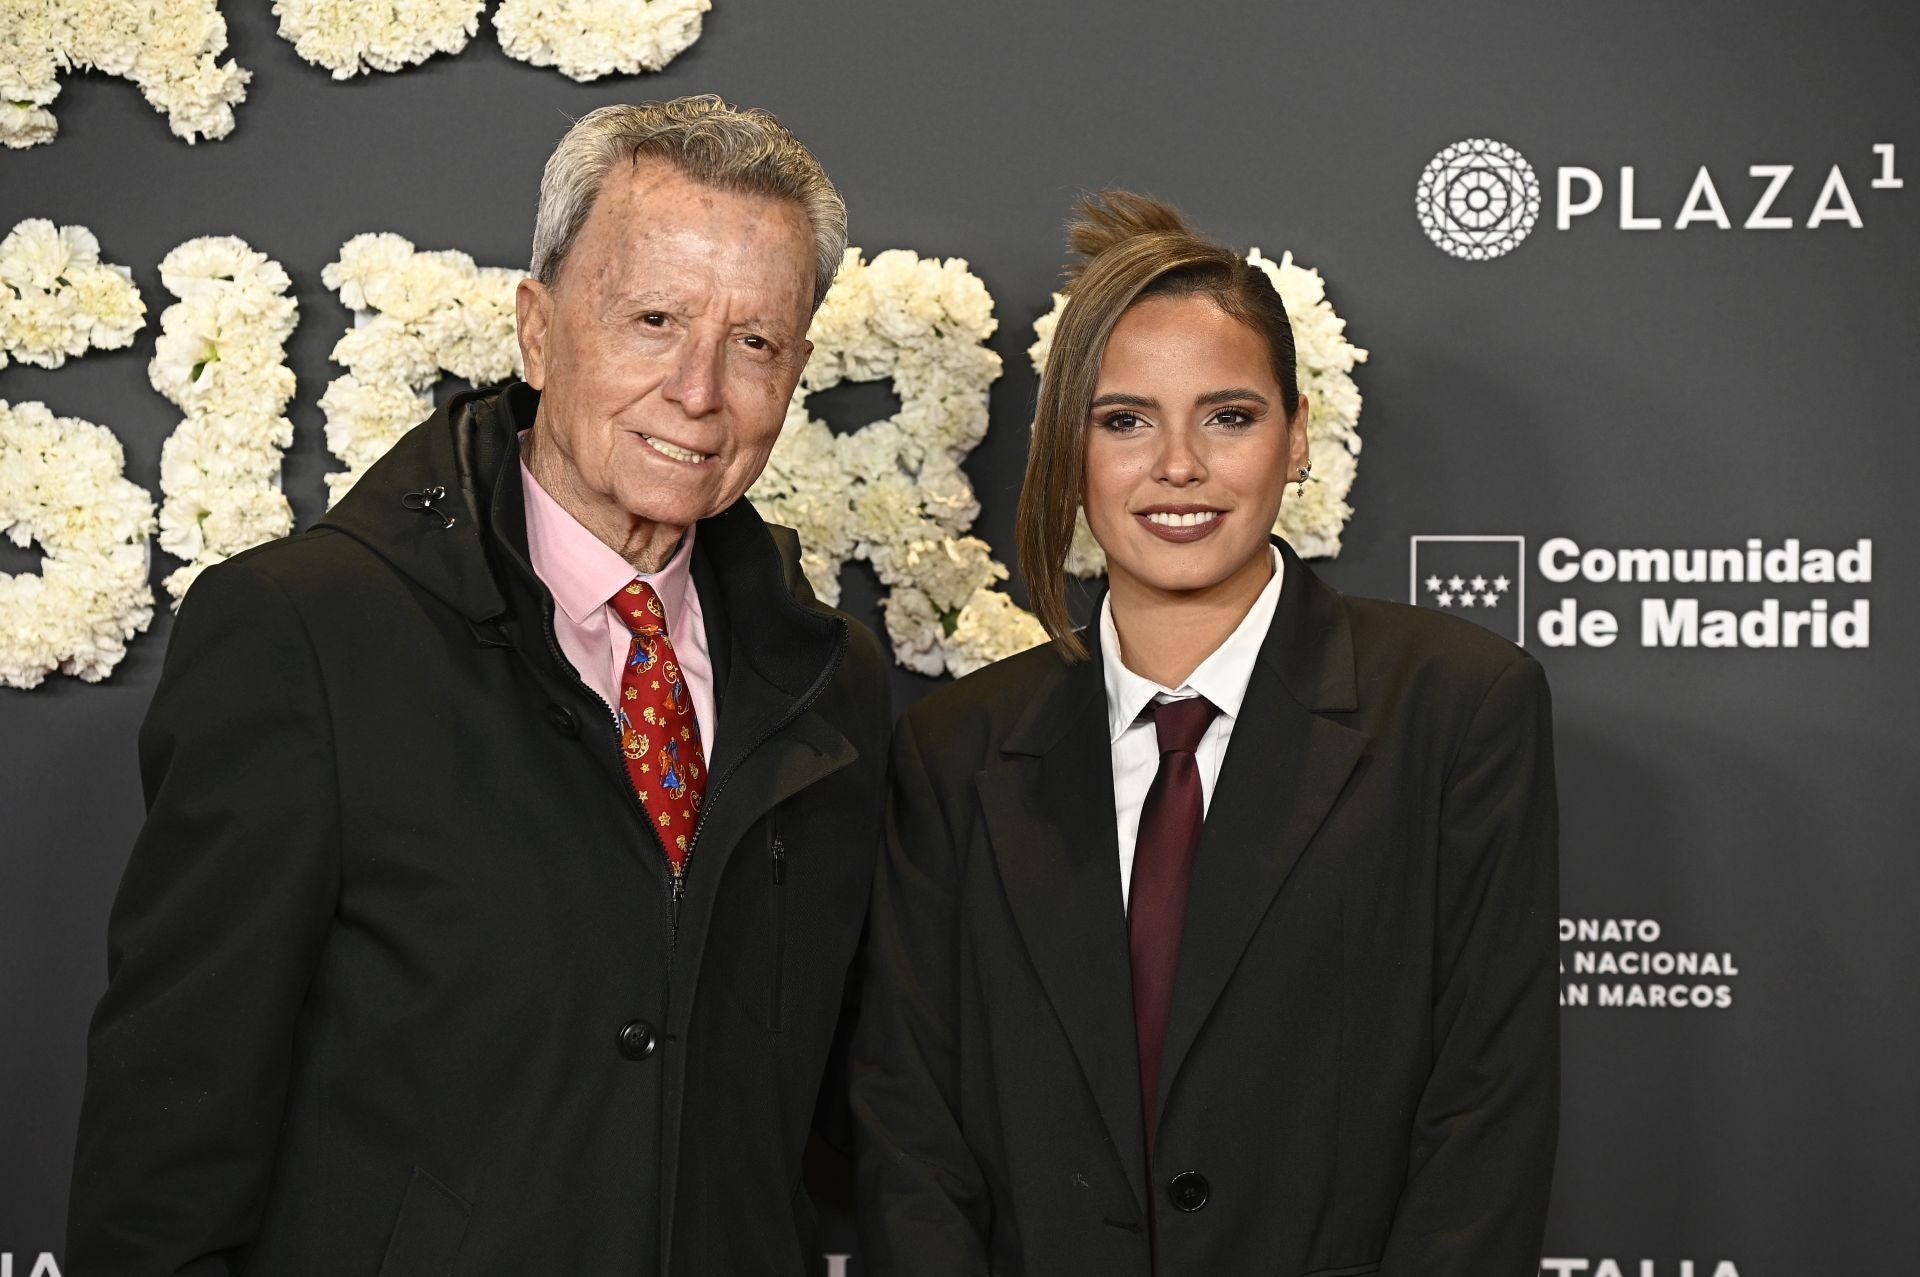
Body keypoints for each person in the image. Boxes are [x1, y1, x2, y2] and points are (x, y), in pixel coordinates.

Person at [69, 97, 891, 1276]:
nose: (699, 389)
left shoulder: (829, 679)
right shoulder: (306, 632)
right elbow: (165, 1147)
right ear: (540, 329)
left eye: (753, 342)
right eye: (652, 319)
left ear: (796, 371)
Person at [851, 191, 1559, 1276]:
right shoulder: (955, 749)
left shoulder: (1456, 710)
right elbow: (911, 1129)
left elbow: (1487, 1117)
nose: (1177, 464)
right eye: (1124, 419)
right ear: (1069, 453)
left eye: (1228, 415)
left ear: (1298, 438)